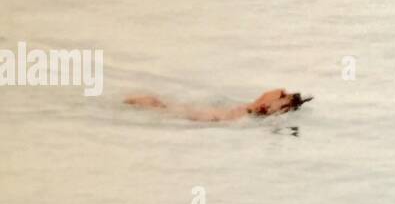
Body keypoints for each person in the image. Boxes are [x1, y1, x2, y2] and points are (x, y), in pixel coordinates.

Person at [124, 88, 311, 123]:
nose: (291, 96)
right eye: (282, 96)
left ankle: (147, 102)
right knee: (163, 107)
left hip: (211, 114)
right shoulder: (242, 118)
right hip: (208, 117)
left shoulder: (249, 113)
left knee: (165, 106)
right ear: (265, 107)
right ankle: (146, 102)